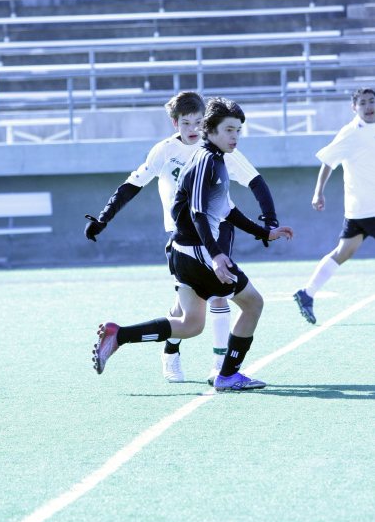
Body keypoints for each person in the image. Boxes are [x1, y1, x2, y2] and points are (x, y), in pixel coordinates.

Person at [92, 97, 293, 392]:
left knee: (191, 324)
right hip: (197, 251)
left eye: (238, 130)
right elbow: (198, 212)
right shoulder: (206, 161)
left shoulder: (218, 159)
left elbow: (225, 210)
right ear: (210, 130)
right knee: (253, 303)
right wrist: (215, 255)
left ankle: (118, 335)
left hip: (184, 251)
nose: (235, 137)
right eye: (229, 130)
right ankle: (226, 374)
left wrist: (263, 232)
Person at [294, 87, 375, 324]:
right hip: (364, 207)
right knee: (343, 253)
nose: (369, 106)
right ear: (354, 107)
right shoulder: (350, 133)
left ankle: (306, 293)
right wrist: (318, 192)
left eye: (372, 101)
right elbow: (328, 161)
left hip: (360, 210)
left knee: (343, 252)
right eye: (363, 103)